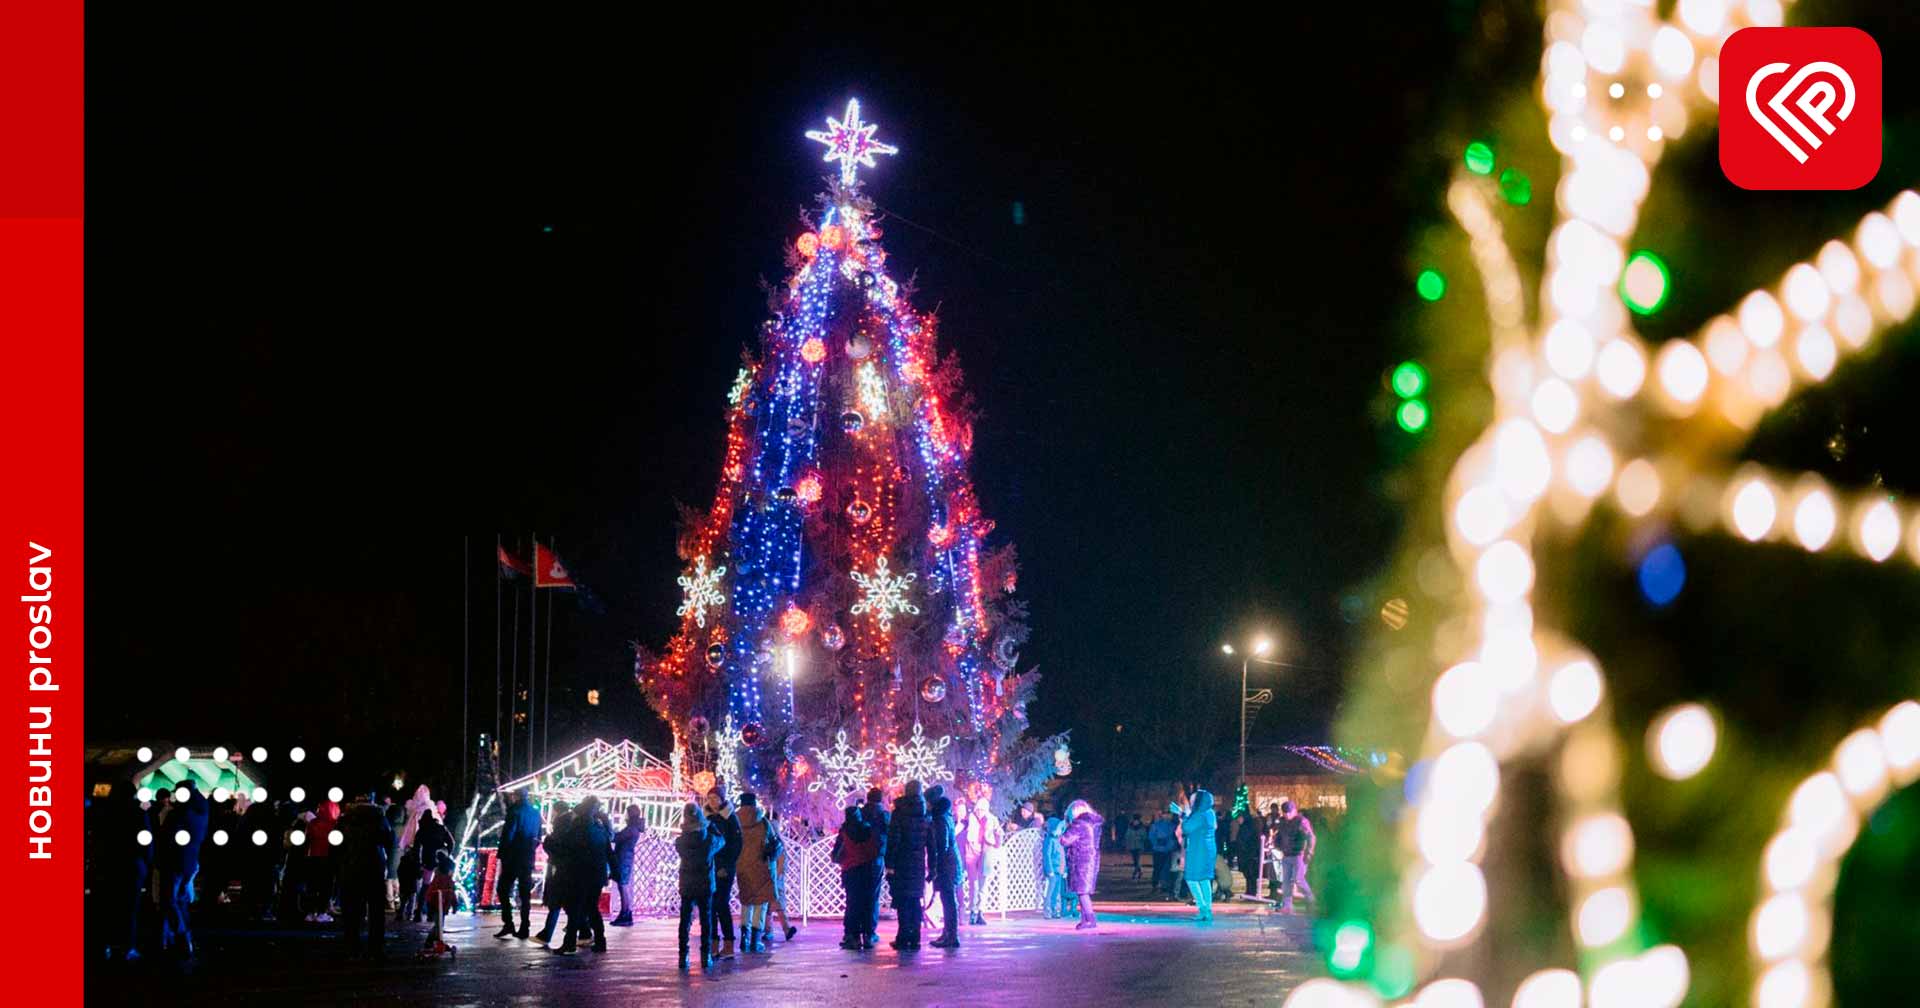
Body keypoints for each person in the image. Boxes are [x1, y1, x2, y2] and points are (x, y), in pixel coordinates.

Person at [155, 779, 210, 957]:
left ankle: (181, 936)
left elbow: (165, 838)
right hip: (191, 861)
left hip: (174, 861)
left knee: (168, 899)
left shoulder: (178, 814)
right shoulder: (201, 809)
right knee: (182, 900)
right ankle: (184, 936)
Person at [336, 792, 393, 959]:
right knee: (376, 910)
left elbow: (337, 843)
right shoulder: (379, 817)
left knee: (352, 910)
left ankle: (352, 945)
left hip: (351, 867)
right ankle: (376, 946)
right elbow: (389, 840)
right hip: (374, 866)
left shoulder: (346, 818)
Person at [675, 801, 725, 970]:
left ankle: (683, 956)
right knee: (706, 920)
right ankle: (705, 956)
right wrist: (709, 825)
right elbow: (722, 840)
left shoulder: (680, 842)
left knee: (685, 920)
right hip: (705, 884)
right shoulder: (709, 840)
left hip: (687, 884)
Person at [557, 796, 610, 955]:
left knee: (575, 908)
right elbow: (609, 852)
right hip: (596, 875)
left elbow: (566, 847)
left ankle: (570, 943)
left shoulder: (578, 827)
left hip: (580, 874)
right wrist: (614, 871)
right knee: (591, 908)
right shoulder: (600, 828)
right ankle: (600, 941)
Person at [886, 780, 931, 950]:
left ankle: (903, 937)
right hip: (918, 863)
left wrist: (890, 863)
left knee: (903, 900)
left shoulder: (899, 813)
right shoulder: (925, 814)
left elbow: (894, 839)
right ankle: (915, 937)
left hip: (902, 862)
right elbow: (929, 841)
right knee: (914, 900)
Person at [734, 793, 781, 953]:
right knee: (760, 903)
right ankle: (755, 940)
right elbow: (774, 841)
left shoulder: (735, 821)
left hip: (741, 866)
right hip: (760, 865)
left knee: (746, 901)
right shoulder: (762, 822)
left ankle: (744, 938)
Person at [831, 804, 880, 950]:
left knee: (852, 904)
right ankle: (868, 934)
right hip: (867, 870)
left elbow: (836, 855)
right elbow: (875, 850)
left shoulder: (845, 832)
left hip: (851, 871)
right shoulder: (868, 829)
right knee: (868, 903)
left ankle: (852, 936)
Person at [494, 789, 541, 939]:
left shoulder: (514, 812)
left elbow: (509, 835)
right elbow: (538, 836)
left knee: (502, 889)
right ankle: (524, 926)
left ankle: (508, 923)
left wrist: (502, 854)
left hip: (513, 858)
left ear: (517, 796)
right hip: (527, 857)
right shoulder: (535, 813)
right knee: (524, 894)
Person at [705, 791, 743, 959]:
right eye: (710, 798)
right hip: (708, 867)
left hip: (724, 867)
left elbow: (736, 844)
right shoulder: (705, 818)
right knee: (710, 906)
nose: (713, 801)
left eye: (716, 798)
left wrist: (727, 866)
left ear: (722, 800)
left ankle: (728, 944)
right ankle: (713, 943)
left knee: (721, 904)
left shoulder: (730, 818)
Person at [925, 784, 961, 948]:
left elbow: (941, 845)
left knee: (948, 899)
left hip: (946, 864)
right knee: (948, 899)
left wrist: (935, 867)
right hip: (949, 863)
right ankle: (948, 933)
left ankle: (951, 935)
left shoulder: (939, 820)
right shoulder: (944, 816)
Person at [1060, 799, 1104, 930]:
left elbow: (1065, 840)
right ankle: (1085, 920)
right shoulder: (1094, 824)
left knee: (1082, 892)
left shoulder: (1079, 824)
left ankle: (1090, 920)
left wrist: (1064, 829)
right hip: (1091, 859)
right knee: (1084, 891)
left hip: (1081, 860)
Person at [533, 808, 575, 946]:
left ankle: (549, 935)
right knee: (566, 905)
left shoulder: (560, 834)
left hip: (559, 870)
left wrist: (548, 841)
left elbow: (553, 848)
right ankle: (548, 933)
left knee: (559, 904)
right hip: (566, 871)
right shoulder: (574, 831)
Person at [1175, 790, 1218, 922]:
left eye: (1193, 800)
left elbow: (1187, 827)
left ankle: (1203, 908)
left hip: (1198, 850)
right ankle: (1207, 910)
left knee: (1192, 878)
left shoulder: (1200, 814)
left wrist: (1182, 816)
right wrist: (1183, 813)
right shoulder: (1209, 813)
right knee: (1204, 879)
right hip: (1207, 849)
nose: (1192, 802)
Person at [958, 791, 1000, 925]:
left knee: (983, 885)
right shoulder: (970, 819)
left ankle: (981, 911)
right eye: (978, 809)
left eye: (983, 809)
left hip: (986, 854)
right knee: (973, 885)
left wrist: (997, 837)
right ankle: (973, 911)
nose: (980, 812)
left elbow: (998, 839)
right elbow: (961, 833)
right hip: (972, 854)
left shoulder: (992, 820)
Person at [1273, 800, 1317, 913]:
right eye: (1285, 812)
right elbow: (1279, 835)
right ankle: (1287, 905)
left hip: (1299, 855)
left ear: (1294, 811)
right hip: (1287, 854)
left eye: (1289, 812)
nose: (1287, 815)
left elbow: (1311, 837)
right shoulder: (1283, 822)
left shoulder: (1301, 821)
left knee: (1299, 879)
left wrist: (1309, 852)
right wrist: (1277, 844)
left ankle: (1311, 900)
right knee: (1286, 881)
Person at [859, 787, 889, 949]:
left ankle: (858, 931)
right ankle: (870, 932)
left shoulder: (861, 814)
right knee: (873, 895)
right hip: (877, 858)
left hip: (860, 858)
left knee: (860, 895)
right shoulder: (884, 816)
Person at [609, 803, 645, 926]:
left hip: (623, 859)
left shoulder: (631, 829)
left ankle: (625, 913)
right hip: (626, 858)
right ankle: (626, 913)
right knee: (623, 886)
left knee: (623, 886)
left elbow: (617, 838)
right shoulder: (634, 828)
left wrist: (609, 830)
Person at [765, 810, 798, 945]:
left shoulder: (775, 845)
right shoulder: (775, 844)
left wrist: (776, 876)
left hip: (773, 879)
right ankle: (772, 930)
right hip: (772, 878)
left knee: (773, 905)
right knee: (773, 906)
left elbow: (781, 864)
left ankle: (775, 930)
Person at [419, 849, 458, 957]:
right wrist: (431, 906)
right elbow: (432, 894)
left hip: (443, 907)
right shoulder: (440, 880)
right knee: (438, 926)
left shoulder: (448, 880)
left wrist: (454, 905)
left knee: (439, 925)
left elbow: (451, 894)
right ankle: (430, 942)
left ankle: (434, 942)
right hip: (437, 906)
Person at [1232, 808, 1265, 900]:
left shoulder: (1248, 827)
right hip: (1247, 854)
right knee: (1249, 875)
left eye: (1239, 818)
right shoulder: (1247, 826)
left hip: (1249, 855)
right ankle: (1250, 892)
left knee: (1250, 875)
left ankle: (1251, 892)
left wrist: (1243, 850)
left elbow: (1245, 841)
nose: (1238, 820)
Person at [1038, 815, 1066, 919]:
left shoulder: (1059, 840)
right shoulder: (1049, 840)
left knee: (1056, 891)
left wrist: (1064, 869)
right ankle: (1048, 910)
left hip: (1059, 870)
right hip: (1052, 871)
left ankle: (1055, 910)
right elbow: (1047, 855)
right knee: (1049, 891)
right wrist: (1049, 870)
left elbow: (1062, 856)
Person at [381, 795, 404, 909]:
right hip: (401, 854)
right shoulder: (404, 827)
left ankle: (390, 900)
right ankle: (397, 898)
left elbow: (386, 841)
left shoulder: (390, 827)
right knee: (397, 877)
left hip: (391, 853)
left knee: (389, 878)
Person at [1148, 810, 1177, 896]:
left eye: (1169, 814)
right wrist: (1157, 843)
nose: (1167, 816)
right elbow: (1152, 837)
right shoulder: (1156, 825)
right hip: (1159, 849)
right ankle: (1156, 884)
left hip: (1167, 849)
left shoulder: (1172, 825)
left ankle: (1164, 885)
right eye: (1166, 814)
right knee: (1158, 868)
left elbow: (1174, 837)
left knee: (1166, 868)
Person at [1125, 814, 1149, 879]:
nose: (1136, 822)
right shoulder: (1130, 828)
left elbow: (1144, 836)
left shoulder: (1142, 828)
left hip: (1139, 846)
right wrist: (1128, 844)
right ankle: (1140, 871)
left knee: (1137, 859)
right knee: (1135, 860)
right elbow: (1127, 837)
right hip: (1132, 846)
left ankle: (1135, 873)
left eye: (1137, 821)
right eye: (1135, 821)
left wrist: (1139, 838)